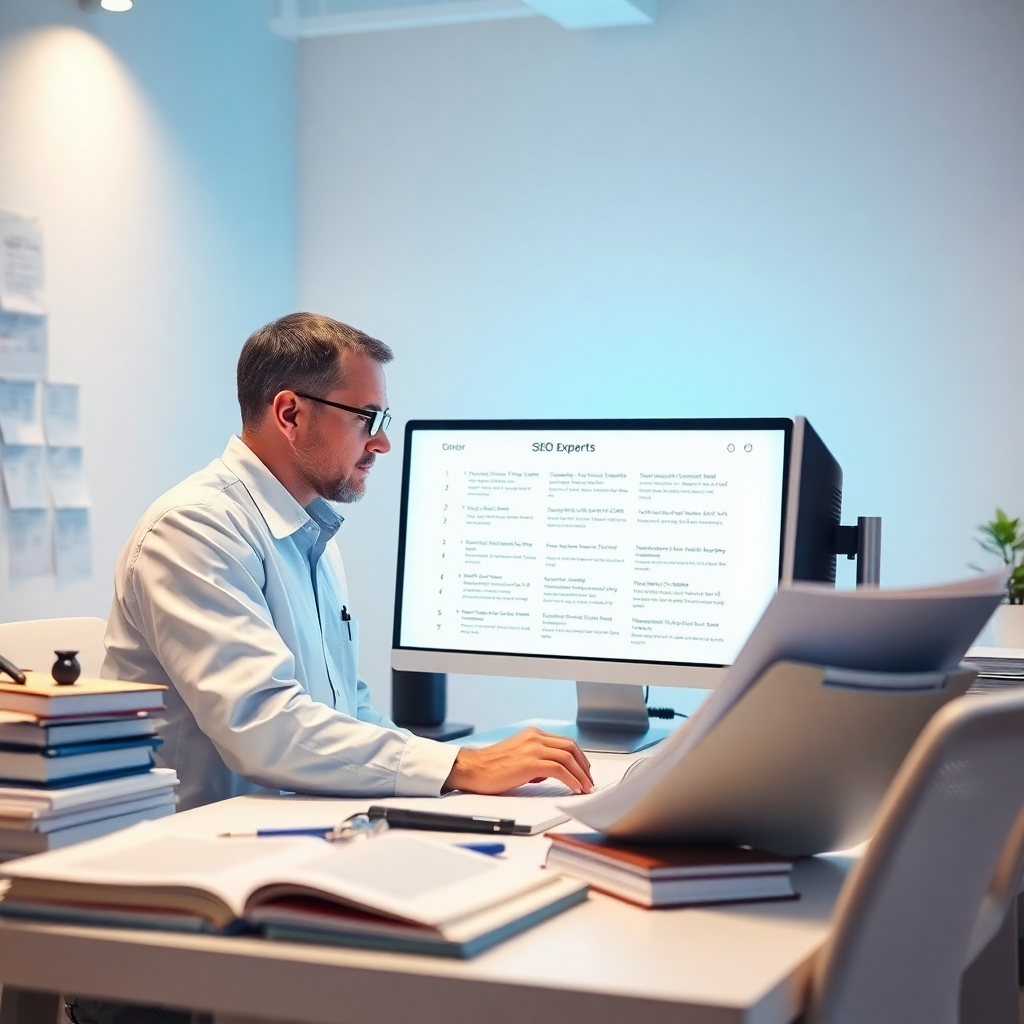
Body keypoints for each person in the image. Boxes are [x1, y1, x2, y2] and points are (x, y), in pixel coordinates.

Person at [103, 312, 593, 811]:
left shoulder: (311, 534)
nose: (381, 443)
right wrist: (459, 767)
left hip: (289, 829)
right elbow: (263, 726)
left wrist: (461, 765)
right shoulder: (194, 529)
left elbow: (347, 709)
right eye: (368, 419)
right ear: (290, 414)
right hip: (190, 850)